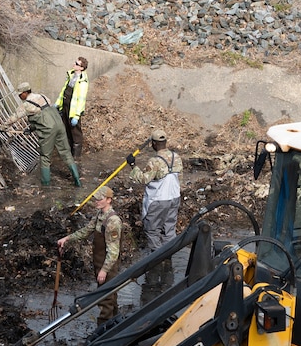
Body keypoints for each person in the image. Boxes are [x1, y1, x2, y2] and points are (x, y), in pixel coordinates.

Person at [57, 186, 128, 322]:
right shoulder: (99, 215)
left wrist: (104, 270)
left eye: (100, 199)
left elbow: (113, 251)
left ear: (108, 200)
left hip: (108, 265)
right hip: (99, 262)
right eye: (95, 199)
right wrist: (67, 239)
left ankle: (102, 330)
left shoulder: (113, 222)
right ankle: (115, 323)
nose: (96, 202)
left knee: (105, 298)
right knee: (109, 295)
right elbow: (86, 231)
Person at [131, 127, 186, 289]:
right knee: (169, 230)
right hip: (174, 198)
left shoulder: (154, 161)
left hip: (158, 200)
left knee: (152, 230)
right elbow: (180, 179)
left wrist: (133, 166)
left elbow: (143, 179)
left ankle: (156, 261)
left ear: (154, 144)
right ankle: (168, 259)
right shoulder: (177, 157)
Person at [16, 82, 80, 187]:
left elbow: (15, 117)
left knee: (45, 158)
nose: (19, 96)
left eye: (20, 94)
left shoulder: (27, 104)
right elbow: (42, 116)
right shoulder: (43, 97)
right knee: (66, 153)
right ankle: (77, 180)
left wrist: (2, 128)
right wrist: (31, 129)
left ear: (25, 92)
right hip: (59, 125)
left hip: (48, 130)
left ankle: (45, 186)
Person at [57, 56, 90, 158]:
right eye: (75, 62)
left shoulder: (82, 81)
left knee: (75, 133)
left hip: (73, 110)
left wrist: (76, 115)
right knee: (66, 130)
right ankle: (68, 153)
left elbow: (81, 99)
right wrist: (58, 103)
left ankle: (76, 156)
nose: (74, 64)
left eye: (77, 64)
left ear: (81, 68)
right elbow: (63, 91)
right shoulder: (71, 75)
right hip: (66, 106)